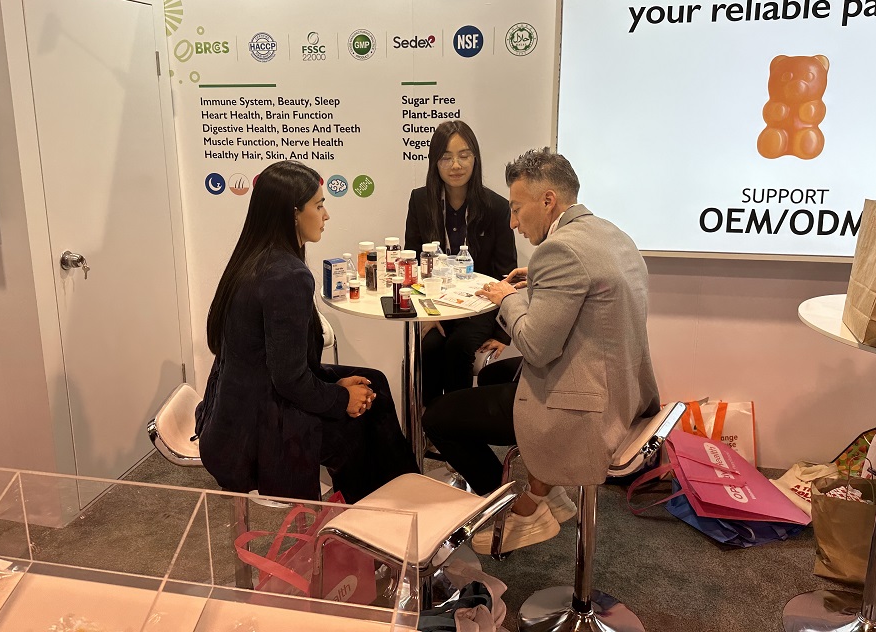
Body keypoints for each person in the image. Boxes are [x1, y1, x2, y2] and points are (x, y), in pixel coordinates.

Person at [423, 147, 660, 552]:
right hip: (624, 389)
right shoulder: (609, 233)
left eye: (517, 209)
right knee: (494, 374)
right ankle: (545, 488)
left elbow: (535, 347)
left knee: (438, 417)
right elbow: (589, 293)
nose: (513, 222)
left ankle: (516, 507)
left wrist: (507, 298)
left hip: (585, 408)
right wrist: (537, 280)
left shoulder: (560, 250)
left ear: (548, 200)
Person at [197, 161, 418, 503]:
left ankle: (400, 498)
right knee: (361, 425)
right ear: (294, 214)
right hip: (259, 430)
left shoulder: (253, 259)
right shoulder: (287, 276)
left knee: (373, 383)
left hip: (236, 412)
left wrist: (334, 386)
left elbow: (281, 364)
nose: (326, 215)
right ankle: (386, 510)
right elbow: (288, 379)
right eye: (318, 205)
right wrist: (340, 398)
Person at [404, 120, 517, 405]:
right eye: (446, 157)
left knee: (459, 347)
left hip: (480, 306)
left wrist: (503, 333)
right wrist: (426, 314)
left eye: (464, 155)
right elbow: (412, 261)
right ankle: (428, 419)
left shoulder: (496, 207)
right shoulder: (420, 201)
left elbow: (507, 273)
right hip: (434, 304)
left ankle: (454, 422)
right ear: (435, 162)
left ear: (475, 158)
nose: (456, 165)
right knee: (429, 347)